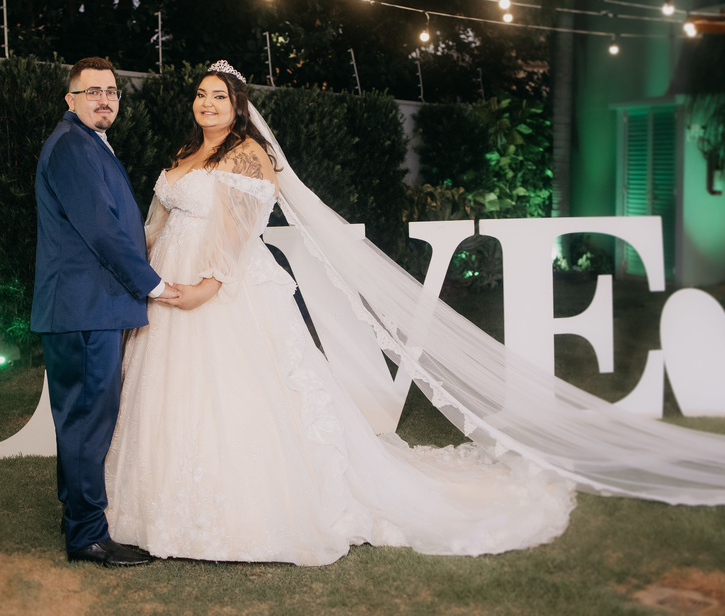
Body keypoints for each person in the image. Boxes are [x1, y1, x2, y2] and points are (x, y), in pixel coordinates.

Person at [104, 61, 576, 564]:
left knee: (235, 389)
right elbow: (158, 221)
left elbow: (238, 230)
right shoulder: (185, 152)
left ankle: (242, 510)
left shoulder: (248, 154)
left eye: (219, 96)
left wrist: (208, 286)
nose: (207, 103)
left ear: (239, 105)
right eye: (201, 94)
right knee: (168, 387)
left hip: (220, 285)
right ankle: (157, 504)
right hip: (167, 282)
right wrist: (138, 268)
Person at [32, 56, 178, 567]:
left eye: (112, 92)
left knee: (82, 419)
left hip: (87, 307)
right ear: (70, 99)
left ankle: (78, 517)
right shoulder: (72, 145)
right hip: (84, 309)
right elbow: (101, 230)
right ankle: (87, 536)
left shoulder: (86, 142)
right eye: (92, 91)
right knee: (87, 422)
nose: (104, 99)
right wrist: (153, 284)